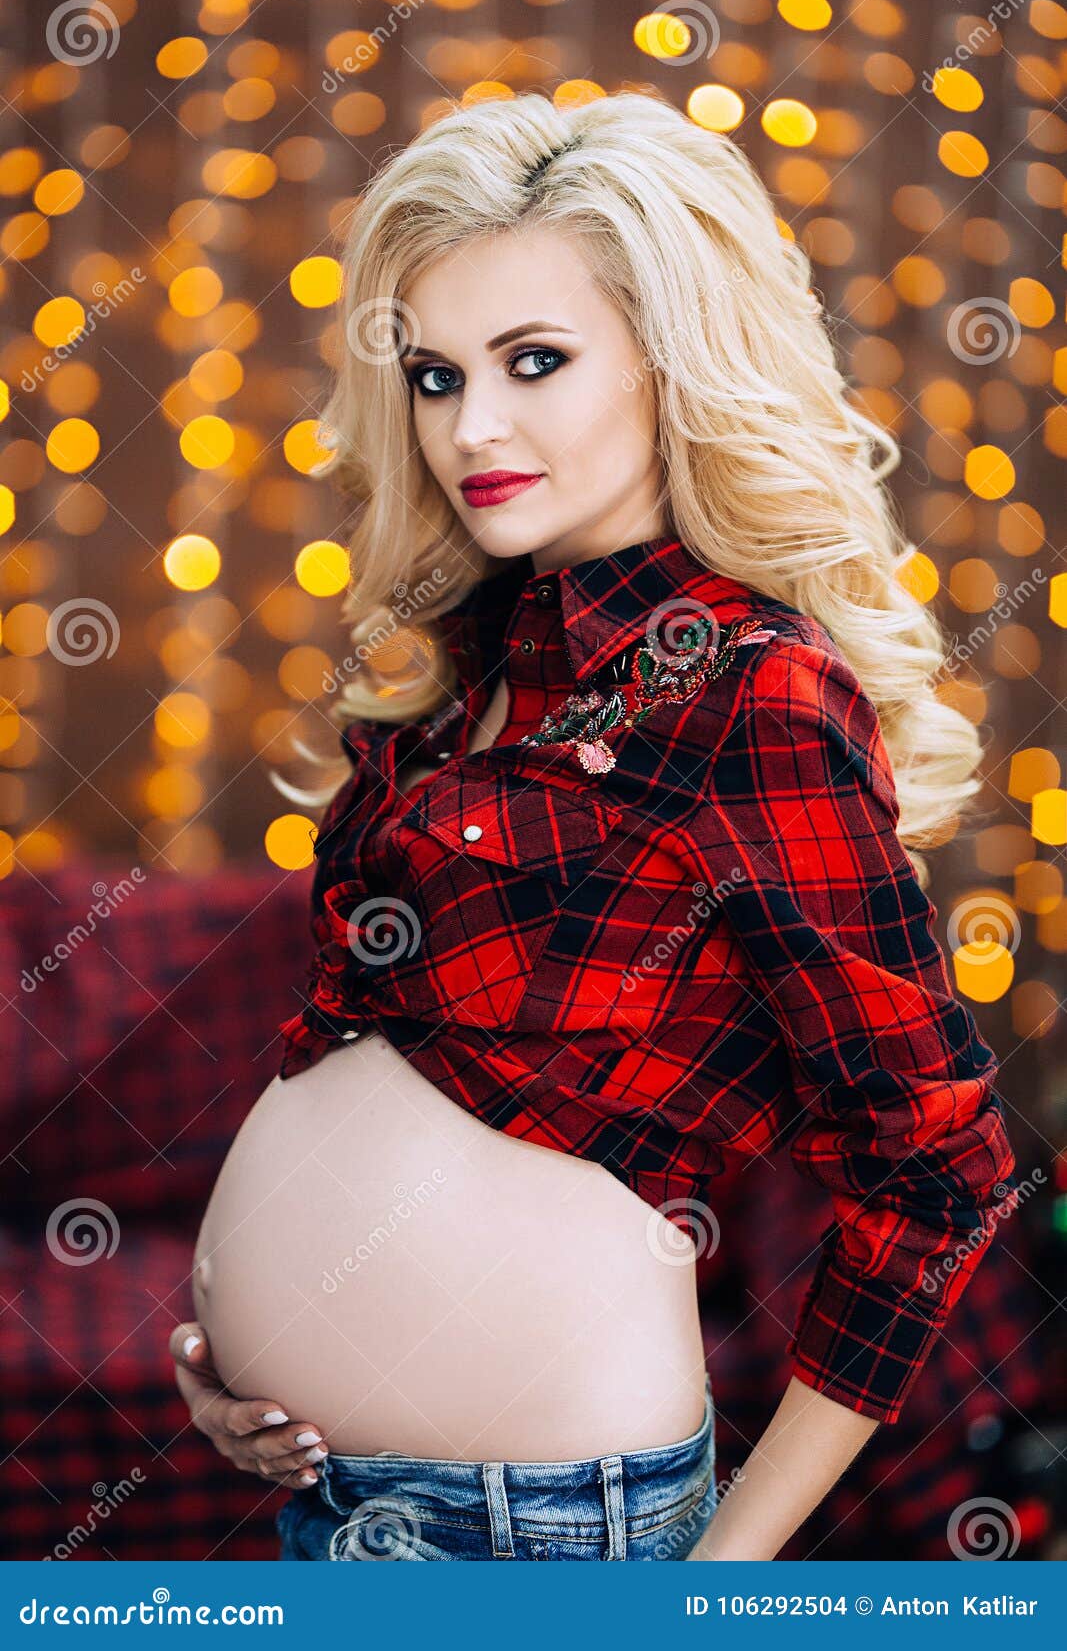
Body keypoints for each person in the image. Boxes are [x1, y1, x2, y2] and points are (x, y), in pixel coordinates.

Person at [169, 91, 1017, 1562]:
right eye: (434, 375)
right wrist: (237, 1355)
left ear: (675, 364)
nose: (470, 426)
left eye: (536, 362)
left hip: (545, 1529)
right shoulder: (461, 668)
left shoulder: (757, 690)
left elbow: (943, 1164)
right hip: (338, 1498)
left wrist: (719, 1576)